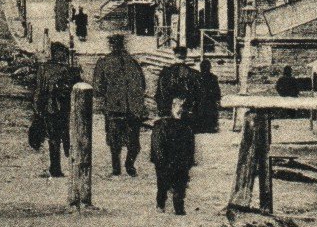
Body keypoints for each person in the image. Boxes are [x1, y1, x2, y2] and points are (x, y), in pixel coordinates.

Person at [92, 33, 146, 176]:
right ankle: (129, 165)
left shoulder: (104, 62)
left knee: (114, 141)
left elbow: (97, 89)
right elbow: (143, 85)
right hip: (133, 108)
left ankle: (117, 168)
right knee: (133, 142)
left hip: (114, 108)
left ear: (111, 46)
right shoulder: (133, 63)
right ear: (123, 46)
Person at [30, 42, 81, 177]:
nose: (63, 56)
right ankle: (56, 166)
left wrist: (37, 106)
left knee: (56, 137)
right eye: (61, 53)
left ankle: (56, 165)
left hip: (52, 107)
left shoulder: (45, 68)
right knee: (57, 136)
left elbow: (39, 90)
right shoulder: (60, 69)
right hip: (57, 107)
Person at [150, 94, 195, 215]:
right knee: (163, 184)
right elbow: (157, 145)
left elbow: (190, 144)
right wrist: (160, 160)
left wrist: (190, 160)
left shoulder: (186, 125)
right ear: (172, 107)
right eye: (178, 106)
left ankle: (179, 208)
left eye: (182, 106)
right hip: (165, 160)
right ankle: (161, 203)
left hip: (181, 160)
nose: (181, 109)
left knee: (180, 184)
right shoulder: (161, 125)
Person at [156, 45, 199, 126]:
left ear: (174, 56)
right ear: (185, 56)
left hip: (171, 105)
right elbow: (196, 92)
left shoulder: (166, 72)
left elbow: (161, 91)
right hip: (185, 106)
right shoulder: (192, 73)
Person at [192, 57, 222, 136]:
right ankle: (209, 127)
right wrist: (217, 99)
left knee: (202, 111)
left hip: (202, 100)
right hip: (207, 100)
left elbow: (216, 90)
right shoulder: (211, 77)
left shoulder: (197, 77)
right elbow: (217, 90)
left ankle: (203, 127)